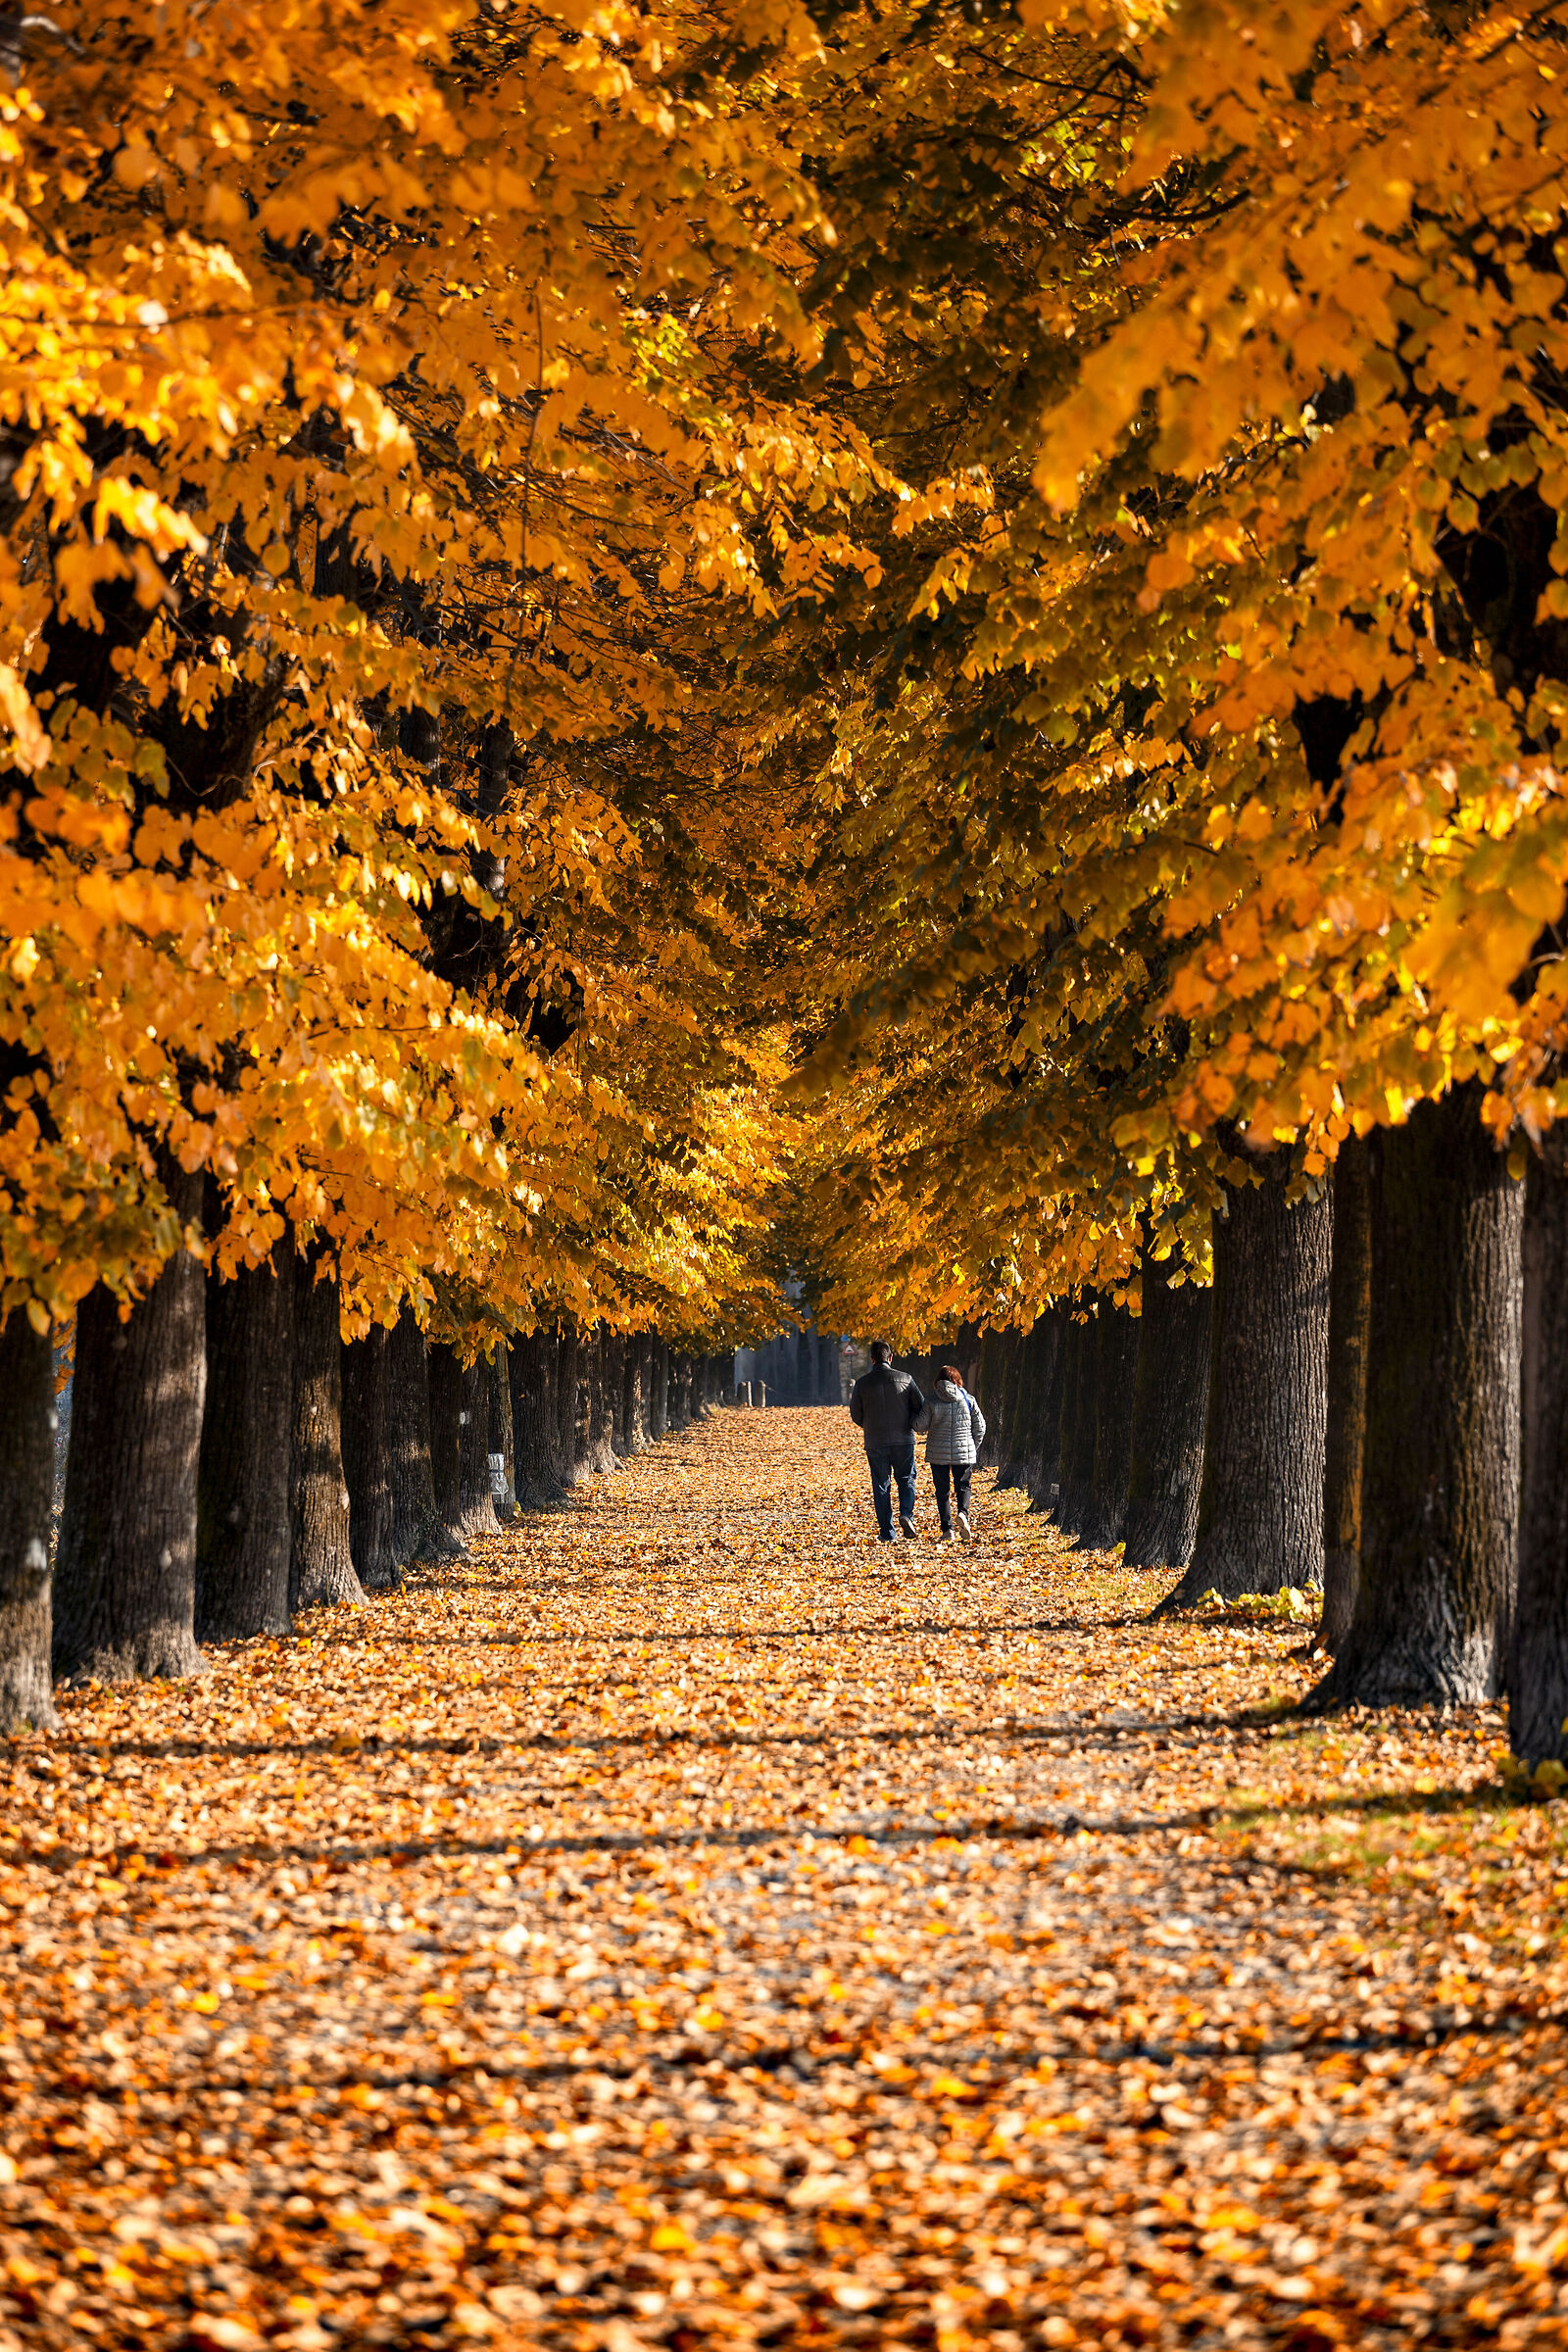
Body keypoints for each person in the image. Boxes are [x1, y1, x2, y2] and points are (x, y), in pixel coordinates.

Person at [849, 1342, 924, 1541]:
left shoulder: (862, 1383)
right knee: (907, 1479)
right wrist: (910, 1423)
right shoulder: (906, 1379)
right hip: (904, 1440)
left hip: (875, 1441)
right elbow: (920, 1406)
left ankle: (887, 1532)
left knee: (881, 1485)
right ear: (890, 1358)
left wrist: (869, 1426)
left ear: (872, 1359)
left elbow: (855, 1414)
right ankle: (906, 1514)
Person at [914, 1362, 986, 1540]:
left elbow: (920, 1425)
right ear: (957, 1380)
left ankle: (947, 1530)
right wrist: (971, 1446)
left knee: (942, 1491)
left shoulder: (931, 1400)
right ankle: (963, 1513)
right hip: (964, 1452)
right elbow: (981, 1427)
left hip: (938, 1454)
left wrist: (911, 1416)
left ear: (938, 1381)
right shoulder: (969, 1400)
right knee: (963, 1486)